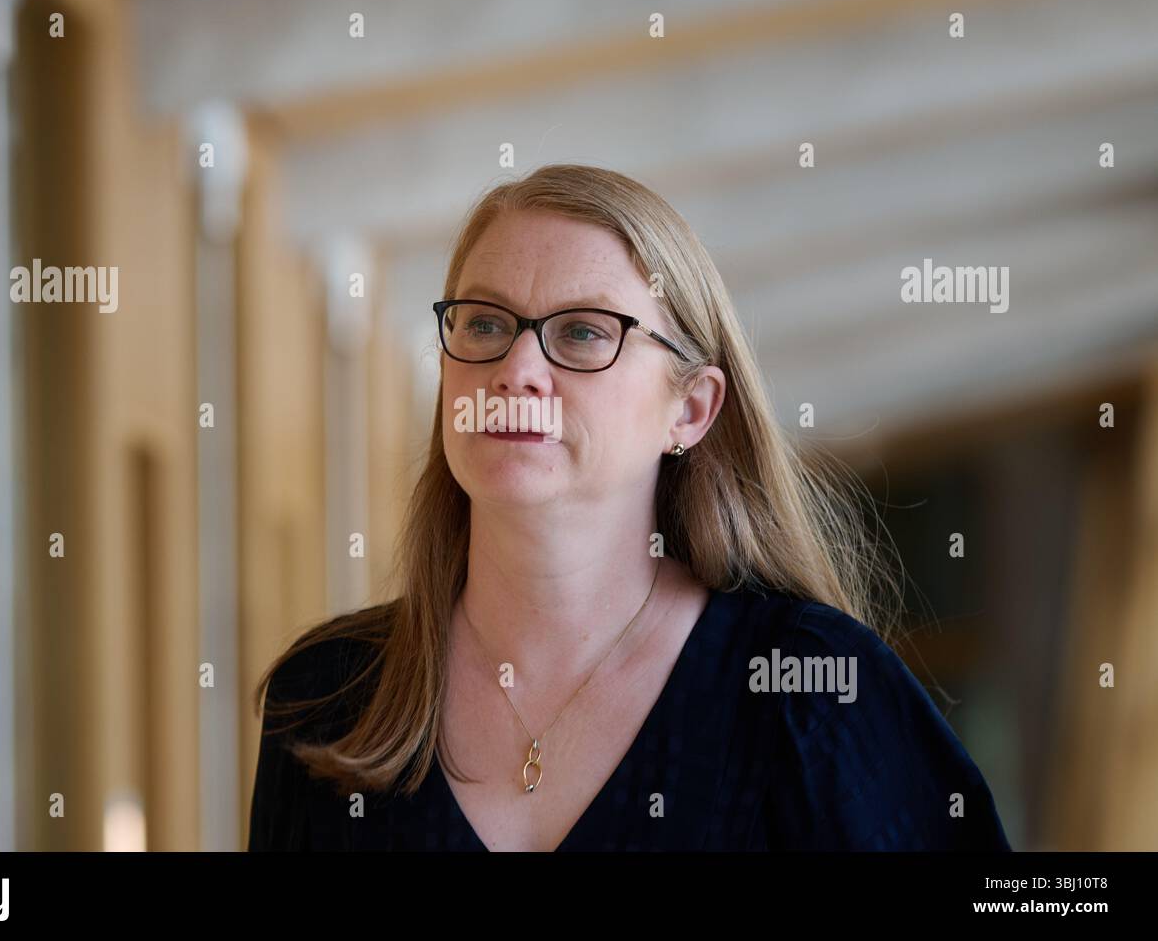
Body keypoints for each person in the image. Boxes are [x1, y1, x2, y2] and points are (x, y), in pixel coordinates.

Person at [247, 164, 1011, 851]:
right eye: (484, 323)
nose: (516, 370)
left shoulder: (807, 688)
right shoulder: (329, 695)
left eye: (582, 332)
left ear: (691, 410)